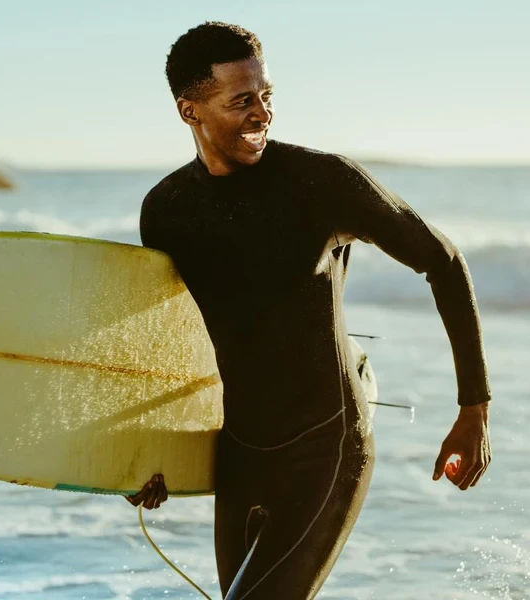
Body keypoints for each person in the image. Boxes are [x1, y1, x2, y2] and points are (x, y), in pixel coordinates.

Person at [126, 21, 492, 599]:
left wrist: (474, 408)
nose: (262, 113)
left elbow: (442, 262)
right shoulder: (168, 209)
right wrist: (148, 452)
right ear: (189, 110)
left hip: (327, 444)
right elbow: (176, 341)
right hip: (241, 452)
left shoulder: (322, 183)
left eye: (266, 96)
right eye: (241, 101)